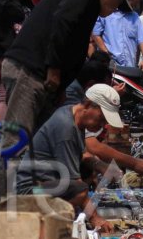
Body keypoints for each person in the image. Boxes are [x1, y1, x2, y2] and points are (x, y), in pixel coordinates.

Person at [0, 0, 131, 140]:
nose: (115, 11)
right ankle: (6, 168)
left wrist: (61, 87)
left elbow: (72, 41)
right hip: (29, 71)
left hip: (41, 77)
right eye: (117, 5)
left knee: (39, 141)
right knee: (17, 141)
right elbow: (63, 21)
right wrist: (54, 69)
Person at [16, 83, 124, 229]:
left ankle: (69, 215)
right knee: (80, 190)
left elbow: (82, 155)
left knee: (86, 173)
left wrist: (99, 166)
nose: (103, 124)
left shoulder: (70, 112)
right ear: (88, 105)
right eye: (102, 118)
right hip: (30, 191)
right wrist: (95, 218)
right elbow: (77, 185)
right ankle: (62, 221)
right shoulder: (65, 129)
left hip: (45, 182)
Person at [91, 0, 143, 69]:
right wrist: (106, 52)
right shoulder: (106, 13)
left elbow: (142, 38)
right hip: (110, 65)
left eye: (135, 5)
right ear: (124, 0)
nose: (133, 8)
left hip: (130, 65)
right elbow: (95, 34)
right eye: (132, 4)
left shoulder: (134, 16)